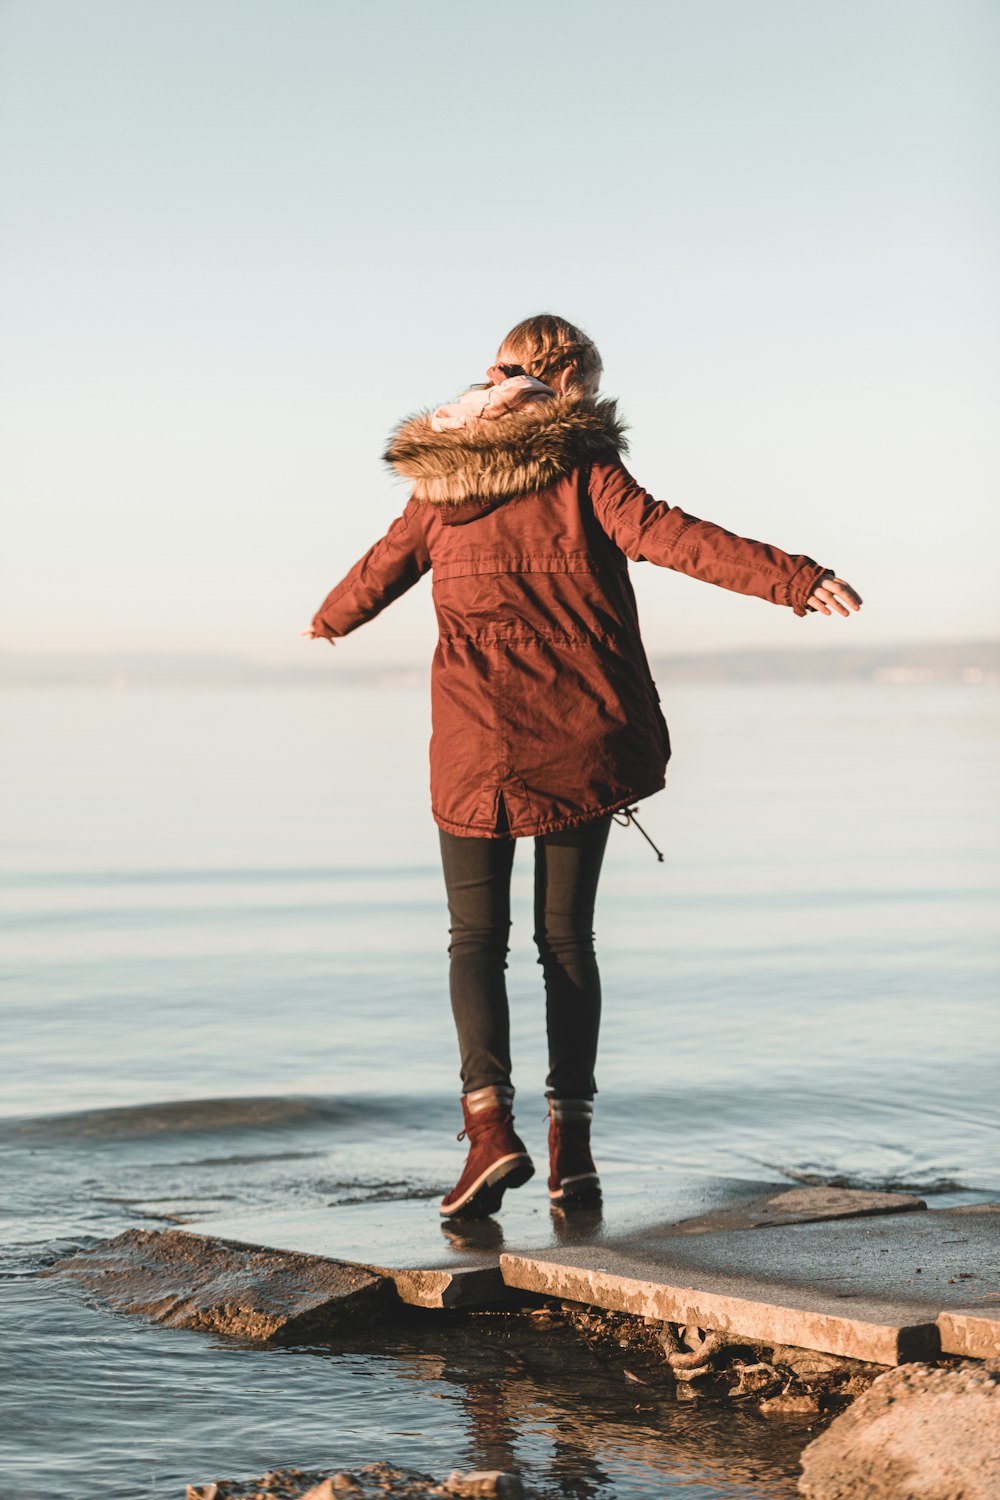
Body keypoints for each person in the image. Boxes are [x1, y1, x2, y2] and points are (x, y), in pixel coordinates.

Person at [303, 313, 862, 1220]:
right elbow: (675, 536)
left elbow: (383, 566)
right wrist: (794, 579)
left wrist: (330, 617)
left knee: (473, 940)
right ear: (567, 386)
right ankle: (575, 1157)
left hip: (473, 741)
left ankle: (489, 1131)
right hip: (578, 733)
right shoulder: (586, 469)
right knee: (566, 937)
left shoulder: (437, 482)